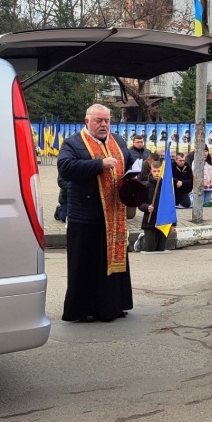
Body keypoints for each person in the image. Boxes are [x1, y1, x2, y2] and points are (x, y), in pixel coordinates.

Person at [58, 103, 135, 323]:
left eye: (107, 120)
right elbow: (65, 168)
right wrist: (98, 164)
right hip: (86, 216)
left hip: (114, 214)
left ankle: (113, 306)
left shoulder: (118, 141)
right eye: (98, 121)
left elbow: (128, 163)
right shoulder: (73, 143)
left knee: (111, 264)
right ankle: (84, 310)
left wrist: (134, 176)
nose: (103, 125)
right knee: (86, 265)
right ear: (87, 121)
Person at [138, 162, 169, 253]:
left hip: (163, 221)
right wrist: (147, 207)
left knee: (161, 249)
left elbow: (171, 205)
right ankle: (142, 240)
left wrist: (173, 224)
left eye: (159, 171)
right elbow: (140, 203)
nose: (156, 173)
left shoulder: (166, 187)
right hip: (149, 220)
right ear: (151, 171)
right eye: (154, 171)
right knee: (150, 249)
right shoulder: (146, 186)